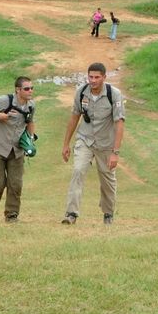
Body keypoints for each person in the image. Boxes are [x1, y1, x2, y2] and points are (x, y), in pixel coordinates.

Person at [61, 63, 125, 225]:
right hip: (85, 139)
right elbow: (74, 117)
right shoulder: (81, 92)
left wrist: (115, 153)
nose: (93, 80)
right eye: (90, 77)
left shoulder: (114, 94)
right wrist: (66, 144)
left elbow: (119, 123)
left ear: (104, 77)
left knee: (107, 179)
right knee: (77, 171)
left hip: (106, 143)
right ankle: (71, 214)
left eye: (97, 77)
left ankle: (108, 213)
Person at [0, 76, 36, 223]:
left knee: (16, 184)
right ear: (18, 90)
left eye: (31, 88)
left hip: (17, 150)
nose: (30, 91)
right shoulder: (5, 100)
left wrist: (30, 141)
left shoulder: (31, 105)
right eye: (26, 88)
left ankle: (12, 215)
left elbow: (30, 122)